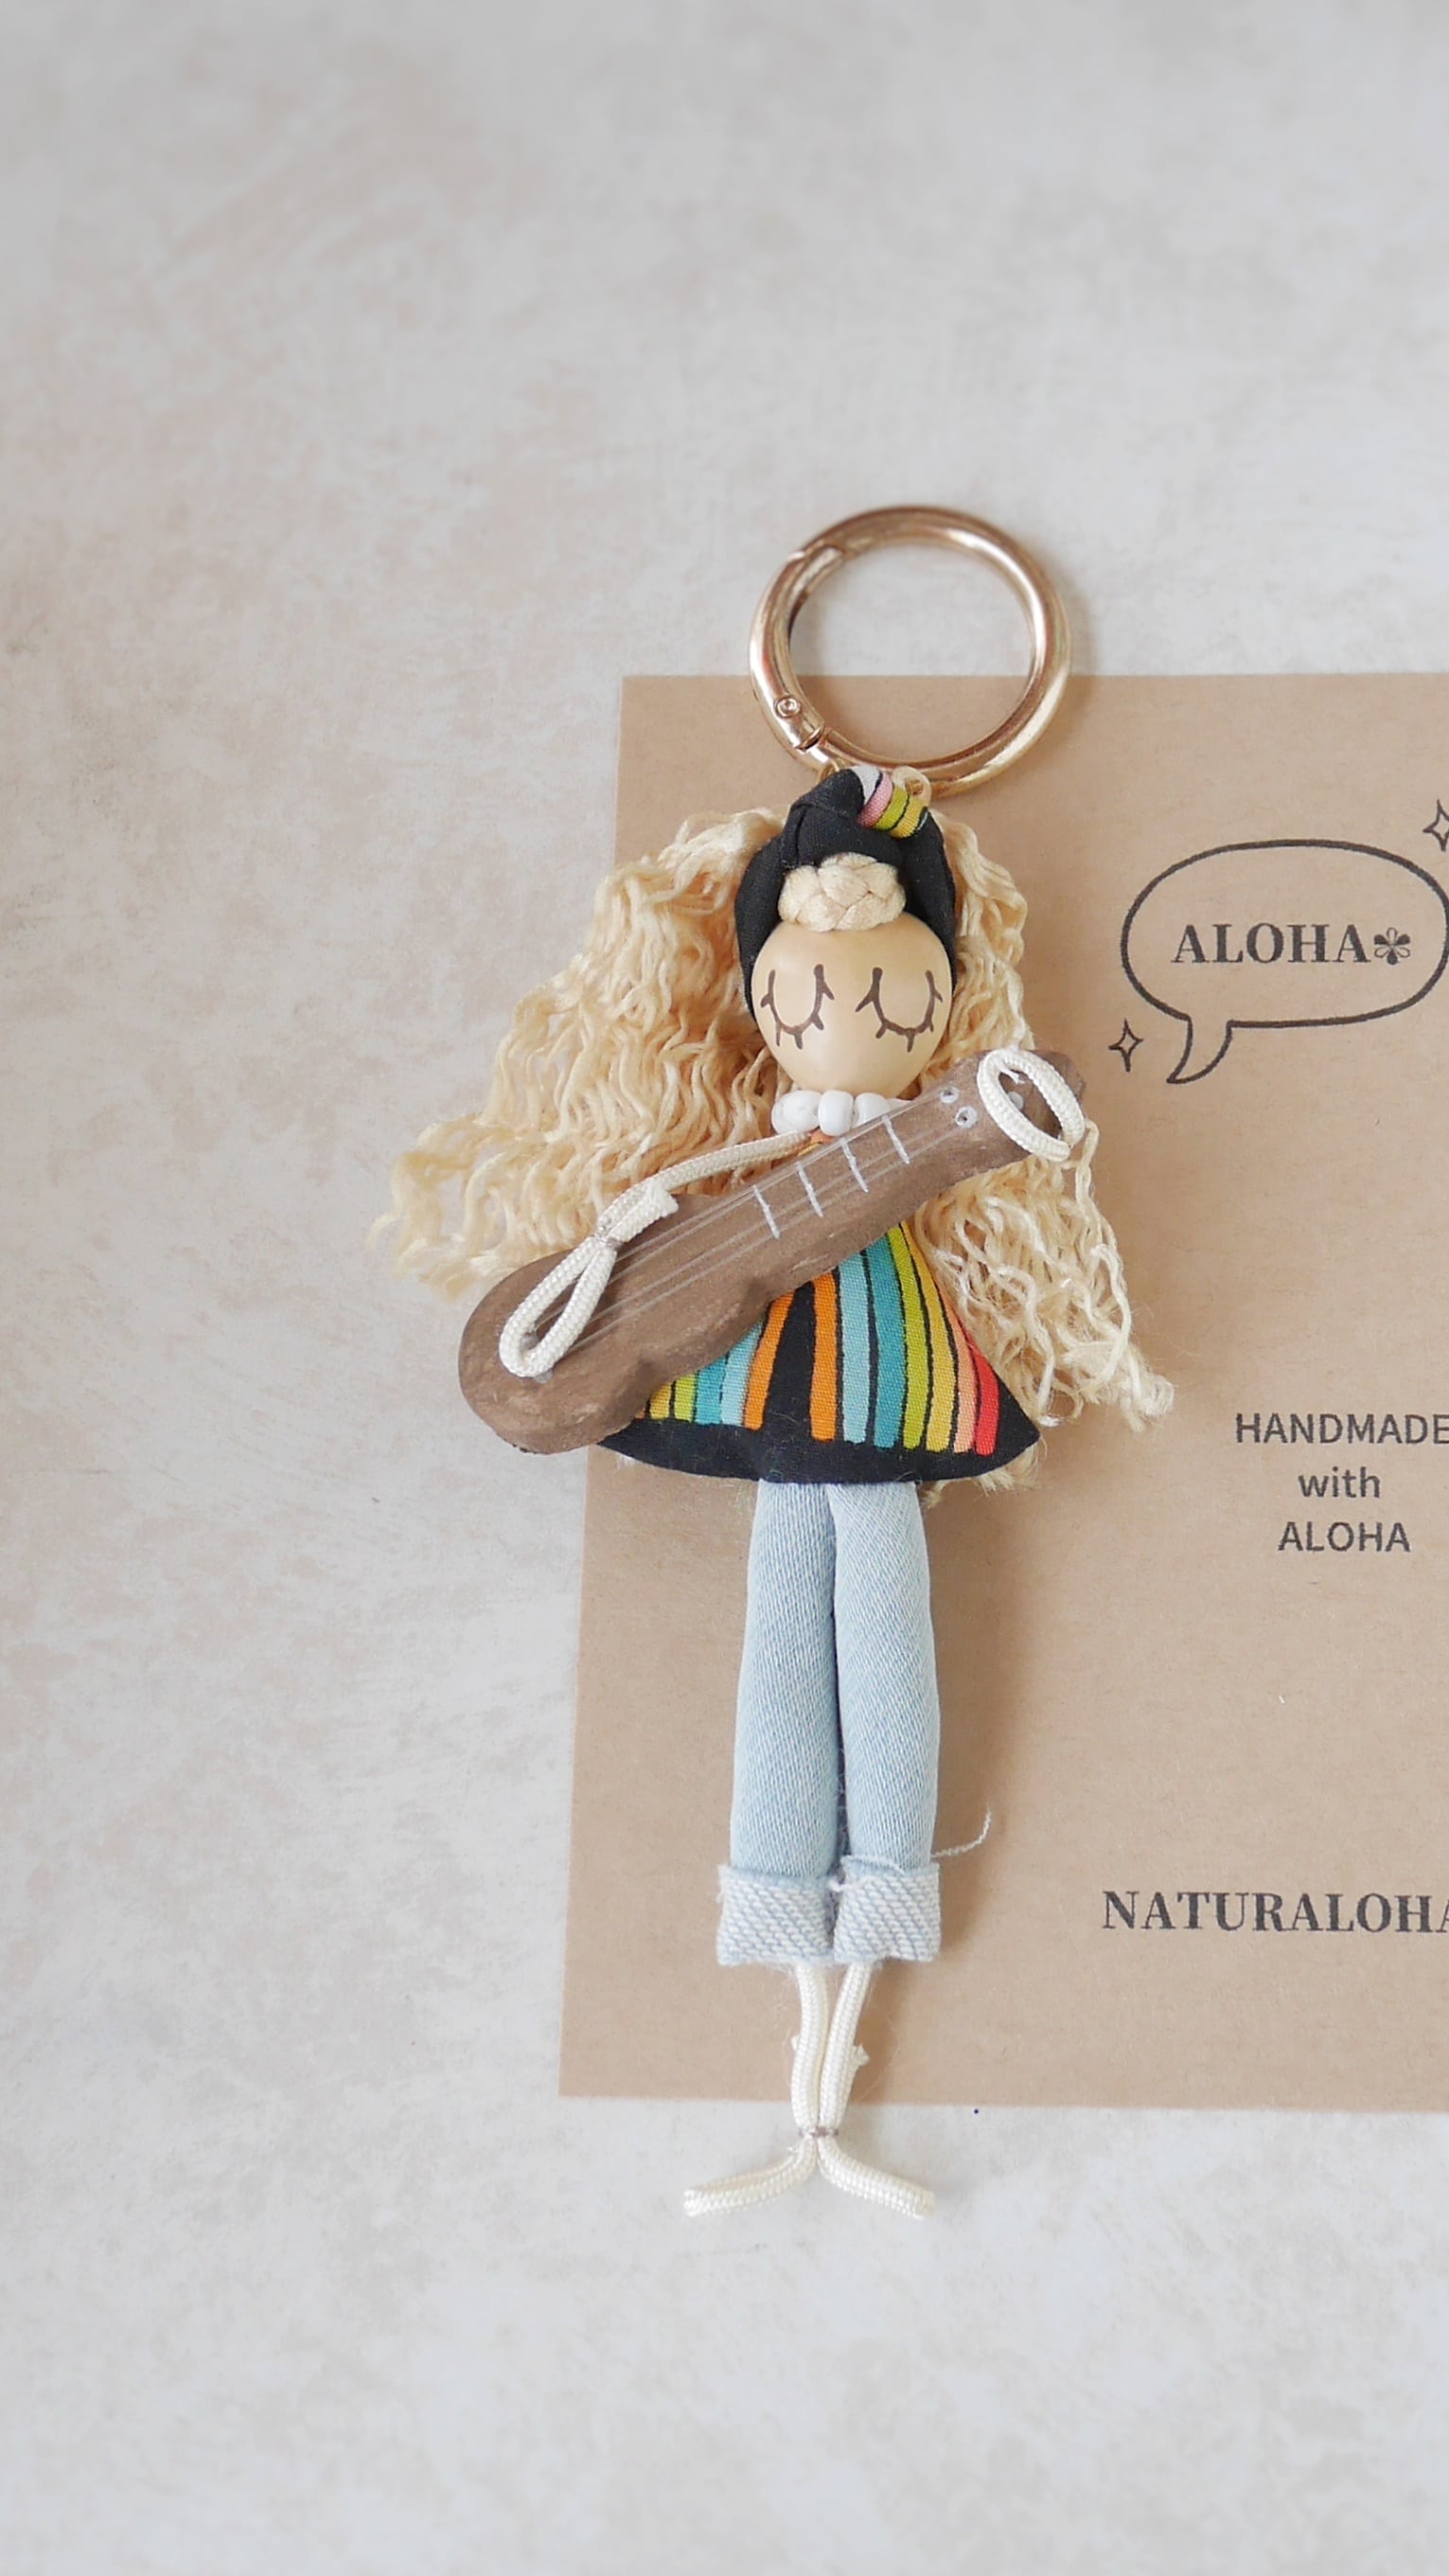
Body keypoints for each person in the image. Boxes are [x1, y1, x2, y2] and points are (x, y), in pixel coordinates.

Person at [387, 761, 1169, 2215]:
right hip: (772, 1369)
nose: (848, 1011)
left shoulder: (908, 1140)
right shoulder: (755, 1163)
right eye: (810, 993)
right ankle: (790, 1955)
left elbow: (980, 1145)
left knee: (884, 1623)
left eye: (890, 994)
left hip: (886, 1365)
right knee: (785, 1632)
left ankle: (870, 1941)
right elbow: (661, 1239)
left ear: (945, 1003)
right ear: (757, 997)